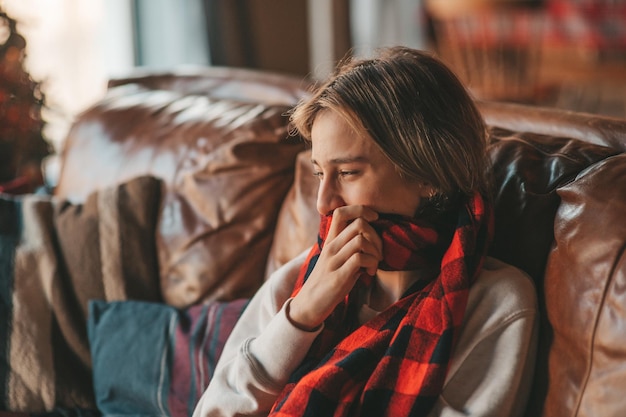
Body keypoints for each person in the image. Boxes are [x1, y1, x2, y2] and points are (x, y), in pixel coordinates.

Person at [193, 46, 538, 417]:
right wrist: (302, 317)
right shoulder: (300, 280)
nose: (324, 203)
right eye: (318, 173)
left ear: (428, 175)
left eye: (347, 173)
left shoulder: (496, 304)